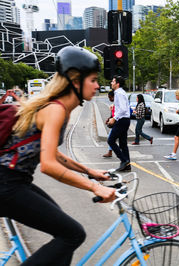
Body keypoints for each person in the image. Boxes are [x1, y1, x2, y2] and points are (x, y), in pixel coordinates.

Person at [0, 46, 116, 265]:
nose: (97, 85)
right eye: (92, 80)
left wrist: (90, 172)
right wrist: (94, 187)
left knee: (64, 229)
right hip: (7, 185)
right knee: (73, 234)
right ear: (75, 81)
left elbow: (52, 153)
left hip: (14, 182)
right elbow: (49, 165)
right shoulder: (56, 110)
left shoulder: (60, 108)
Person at [107, 75, 131, 172]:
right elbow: (123, 106)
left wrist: (114, 118)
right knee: (123, 143)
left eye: (113, 81)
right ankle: (127, 165)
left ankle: (124, 160)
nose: (111, 83)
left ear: (117, 84)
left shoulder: (119, 93)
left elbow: (123, 109)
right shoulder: (121, 92)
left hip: (121, 120)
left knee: (111, 140)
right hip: (125, 120)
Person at [103, 90, 115, 158]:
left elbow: (117, 114)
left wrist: (111, 120)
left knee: (110, 139)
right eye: (108, 97)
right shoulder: (113, 104)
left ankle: (111, 152)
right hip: (115, 124)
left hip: (118, 124)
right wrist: (109, 119)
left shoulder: (117, 104)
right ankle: (110, 152)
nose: (109, 99)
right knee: (111, 139)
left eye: (110, 97)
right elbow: (113, 115)